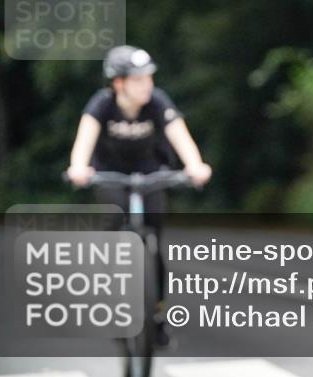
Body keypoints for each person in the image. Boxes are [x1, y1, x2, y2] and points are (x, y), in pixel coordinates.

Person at [66, 45, 212, 346]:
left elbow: (179, 133)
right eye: (138, 80)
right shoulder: (102, 104)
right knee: (113, 226)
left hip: (151, 173)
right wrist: (78, 167)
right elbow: (85, 138)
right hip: (110, 174)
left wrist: (195, 165)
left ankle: (157, 311)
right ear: (119, 83)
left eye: (149, 78)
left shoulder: (157, 102)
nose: (147, 85)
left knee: (155, 240)